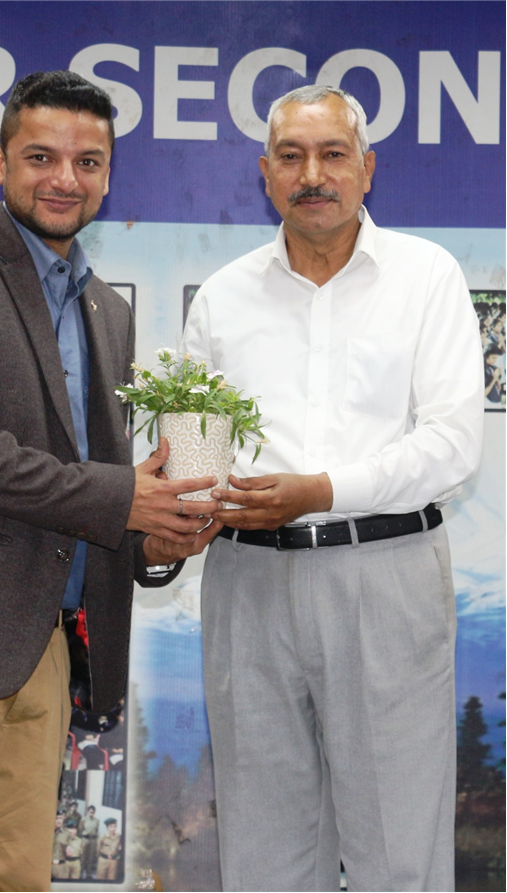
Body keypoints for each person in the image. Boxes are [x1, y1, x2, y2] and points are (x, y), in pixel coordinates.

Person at [0, 70, 221, 893]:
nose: (65, 178)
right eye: (41, 157)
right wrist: (122, 497)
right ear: (0, 164)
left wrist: (153, 533)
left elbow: (90, 478)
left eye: (87, 162)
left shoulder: (106, 311)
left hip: (45, 648)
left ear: (107, 176)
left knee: (12, 879)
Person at [182, 85, 484, 892]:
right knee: (264, 853)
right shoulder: (222, 297)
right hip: (247, 580)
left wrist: (319, 490)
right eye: (291, 156)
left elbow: (452, 444)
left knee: (398, 850)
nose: (311, 174)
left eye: (332, 154)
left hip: (384, 574)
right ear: (265, 174)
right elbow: (194, 456)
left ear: (367, 168)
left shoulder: (427, 277)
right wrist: (182, 507)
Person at [79, 804, 101, 878]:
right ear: (88, 811)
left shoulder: (97, 820)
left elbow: (97, 830)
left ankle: (89, 874)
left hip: (93, 840)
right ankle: (80, 874)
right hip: (85, 839)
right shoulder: (83, 820)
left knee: (91, 858)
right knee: (83, 857)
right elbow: (80, 829)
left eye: (93, 812)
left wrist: (96, 841)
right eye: (90, 812)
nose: (92, 813)